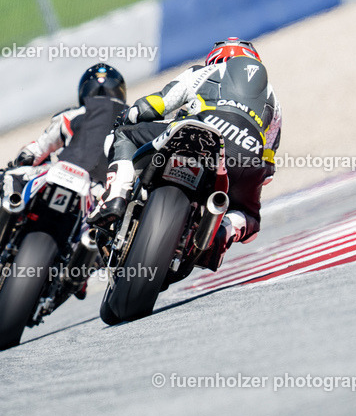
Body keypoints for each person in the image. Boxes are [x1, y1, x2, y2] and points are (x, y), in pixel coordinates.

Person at [89, 37, 281, 261]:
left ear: (215, 60)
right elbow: (267, 168)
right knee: (250, 218)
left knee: (124, 134)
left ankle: (116, 196)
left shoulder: (203, 72)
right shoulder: (274, 102)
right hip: (245, 160)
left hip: (196, 133)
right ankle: (222, 233)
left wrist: (128, 116)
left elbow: (153, 106)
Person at [0, 63, 127, 266]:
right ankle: (85, 262)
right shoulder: (130, 120)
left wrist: (21, 161)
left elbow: (35, 151)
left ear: (84, 91)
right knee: (107, 240)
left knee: (12, 176)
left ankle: (9, 213)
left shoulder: (73, 114)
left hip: (60, 172)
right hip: (101, 193)